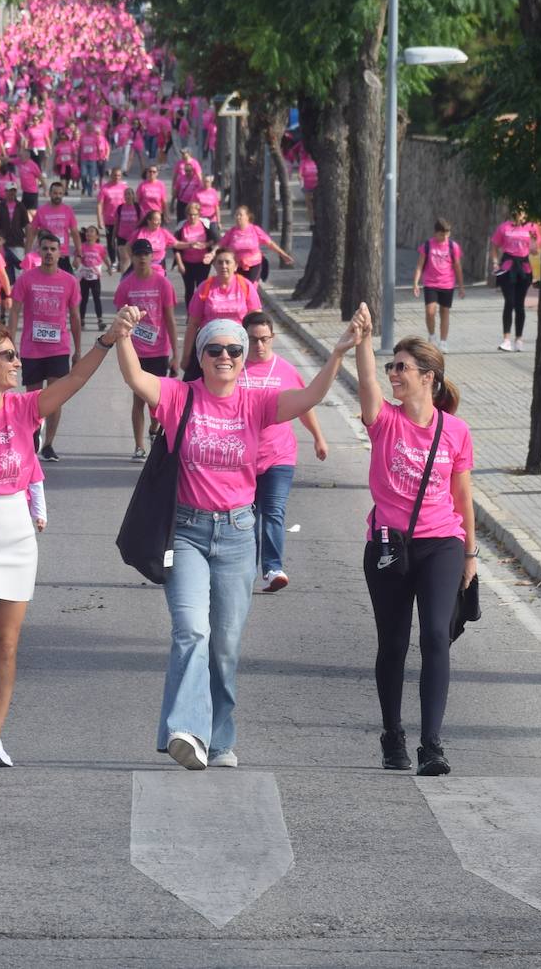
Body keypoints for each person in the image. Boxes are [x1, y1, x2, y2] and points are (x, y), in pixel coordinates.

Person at [114, 306, 367, 770]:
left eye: (235, 349)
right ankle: (186, 731)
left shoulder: (255, 403)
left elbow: (310, 396)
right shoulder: (178, 396)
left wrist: (338, 353)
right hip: (186, 533)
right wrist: (124, 335)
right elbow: (136, 377)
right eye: (215, 349)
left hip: (237, 535)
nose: (225, 356)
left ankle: (218, 738)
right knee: (191, 629)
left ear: (244, 356)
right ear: (202, 355)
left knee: (225, 645)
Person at [0, 304, 137, 767]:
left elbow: (73, 381)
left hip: (16, 536)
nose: (17, 363)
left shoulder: (25, 408)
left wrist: (107, 339)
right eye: (7, 356)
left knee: (7, 643)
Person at [356, 331, 476, 776]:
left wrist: (470, 554)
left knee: (435, 638)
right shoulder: (384, 420)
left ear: (429, 378)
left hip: (442, 543)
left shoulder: (456, 431)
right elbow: (366, 383)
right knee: (393, 643)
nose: (393, 374)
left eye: (402, 367)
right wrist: (363, 341)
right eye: (392, 366)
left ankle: (432, 745)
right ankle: (392, 735)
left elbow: (463, 496)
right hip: (390, 546)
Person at [240, 312, 328, 592]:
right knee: (248, 517)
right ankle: (244, 571)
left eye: (264, 339)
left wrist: (318, 437)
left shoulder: (286, 370)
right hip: (242, 459)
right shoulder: (232, 368)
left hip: (279, 456)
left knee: (274, 512)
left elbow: (303, 405)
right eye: (253, 340)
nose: (259, 345)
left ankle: (273, 568)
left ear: (272, 338)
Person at [8, 231, 81, 461]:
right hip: (32, 348)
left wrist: (78, 350)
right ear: (38, 252)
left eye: (53, 249)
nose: (49, 253)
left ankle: (49, 443)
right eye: (45, 249)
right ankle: (32, 435)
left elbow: (75, 317)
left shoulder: (69, 281)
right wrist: (8, 344)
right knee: (34, 398)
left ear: (60, 253)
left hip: (58, 348)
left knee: (55, 396)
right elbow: (14, 311)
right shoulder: (26, 279)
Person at [114, 239, 178, 459]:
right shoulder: (126, 285)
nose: (142, 258)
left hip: (159, 351)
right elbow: (120, 321)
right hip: (136, 352)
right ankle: (139, 446)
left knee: (157, 401)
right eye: (138, 254)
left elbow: (170, 319)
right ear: (132, 257)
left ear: (152, 257)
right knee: (137, 399)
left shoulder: (162, 284)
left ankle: (154, 430)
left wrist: (176, 355)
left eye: (146, 254)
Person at [181, 251, 261, 376]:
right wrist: (186, 356)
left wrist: (257, 350)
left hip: (237, 347)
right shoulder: (205, 287)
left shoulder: (245, 286)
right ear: (214, 265)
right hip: (210, 347)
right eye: (220, 262)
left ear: (235, 266)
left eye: (227, 262)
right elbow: (192, 324)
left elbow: (258, 321)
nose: (224, 266)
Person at [490, 208, 541, 352]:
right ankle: (506, 339)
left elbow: (535, 250)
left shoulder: (532, 227)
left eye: (522, 211)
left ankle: (519, 339)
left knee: (519, 304)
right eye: (516, 210)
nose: (519, 213)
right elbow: (494, 246)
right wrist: (495, 262)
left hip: (524, 269)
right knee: (509, 301)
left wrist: (533, 240)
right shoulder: (504, 227)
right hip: (507, 267)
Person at [412, 219, 464, 351]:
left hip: (447, 284)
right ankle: (432, 336)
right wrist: (415, 283)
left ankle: (443, 342)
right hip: (431, 283)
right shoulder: (427, 246)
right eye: (442, 234)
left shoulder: (453, 246)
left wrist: (461, 287)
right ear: (435, 233)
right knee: (430, 311)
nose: (445, 237)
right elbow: (419, 265)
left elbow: (457, 267)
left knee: (444, 312)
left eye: (447, 234)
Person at [217, 205, 294, 282]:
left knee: (250, 286)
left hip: (254, 264)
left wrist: (283, 255)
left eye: (240, 215)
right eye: (236, 215)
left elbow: (270, 244)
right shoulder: (232, 232)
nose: (238, 217)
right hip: (237, 265)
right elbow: (220, 244)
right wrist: (212, 253)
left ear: (247, 217)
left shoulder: (255, 230)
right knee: (240, 288)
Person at [27, 181, 79, 271]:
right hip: (46, 254)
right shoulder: (41, 211)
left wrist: (78, 255)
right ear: (50, 194)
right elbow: (32, 233)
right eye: (55, 193)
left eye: (60, 193)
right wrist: (28, 253)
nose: (57, 196)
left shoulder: (68, 210)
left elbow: (75, 233)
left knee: (69, 282)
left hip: (62, 254)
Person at [175, 200, 219, 304]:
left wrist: (206, 245)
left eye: (195, 215)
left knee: (201, 287)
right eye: (190, 215)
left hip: (202, 262)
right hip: (187, 263)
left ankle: (200, 311)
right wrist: (179, 263)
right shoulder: (181, 226)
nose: (192, 217)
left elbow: (216, 240)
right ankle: (190, 314)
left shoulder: (205, 225)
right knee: (189, 289)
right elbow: (175, 247)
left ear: (199, 214)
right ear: (186, 215)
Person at [0, 181, 30, 285]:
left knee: (19, 268)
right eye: (9, 191)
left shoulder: (20, 206)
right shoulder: (0, 206)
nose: (11, 194)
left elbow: (27, 225)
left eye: (14, 191)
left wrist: (28, 244)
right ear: (5, 192)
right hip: (4, 243)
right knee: (3, 267)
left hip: (17, 242)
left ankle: (18, 291)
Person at [75, 225, 107, 330]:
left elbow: (104, 257)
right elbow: (77, 259)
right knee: (83, 299)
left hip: (95, 277)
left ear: (97, 236)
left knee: (97, 298)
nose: (89, 233)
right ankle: (82, 320)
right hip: (84, 277)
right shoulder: (81, 247)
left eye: (92, 231)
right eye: (87, 232)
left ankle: (100, 320)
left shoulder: (100, 247)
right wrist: (77, 262)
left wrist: (110, 267)